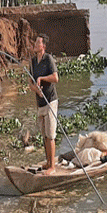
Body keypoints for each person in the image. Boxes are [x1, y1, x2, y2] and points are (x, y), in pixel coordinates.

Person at [29, 34, 59, 175]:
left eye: (37, 43)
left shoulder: (48, 59)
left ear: (43, 46)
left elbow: (55, 78)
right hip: (40, 102)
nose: (35, 44)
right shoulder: (33, 61)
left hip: (50, 101)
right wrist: (36, 89)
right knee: (44, 135)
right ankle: (48, 162)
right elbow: (30, 83)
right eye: (35, 42)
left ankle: (52, 166)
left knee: (51, 134)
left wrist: (42, 78)